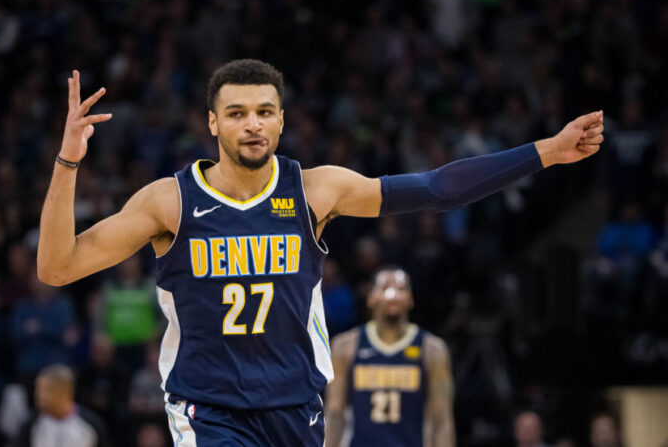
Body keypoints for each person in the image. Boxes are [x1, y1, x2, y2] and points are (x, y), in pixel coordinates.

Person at [38, 59, 604, 446]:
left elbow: (437, 189)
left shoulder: (315, 190)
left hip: (295, 404)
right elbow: (57, 266)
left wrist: (546, 153)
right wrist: (67, 163)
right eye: (236, 113)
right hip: (205, 407)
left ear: (282, 121)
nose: (252, 124)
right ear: (212, 123)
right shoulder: (170, 202)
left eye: (264, 111)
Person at [325, 267, 455, 447]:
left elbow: (442, 419)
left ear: (410, 300)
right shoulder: (345, 346)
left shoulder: (432, 348)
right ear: (370, 298)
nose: (392, 294)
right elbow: (334, 413)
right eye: (384, 288)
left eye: (401, 289)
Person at [14, 364, 111, 447]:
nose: (40, 396)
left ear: (67, 392)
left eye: (48, 390)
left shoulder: (92, 425)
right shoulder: (30, 425)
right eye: (38, 390)